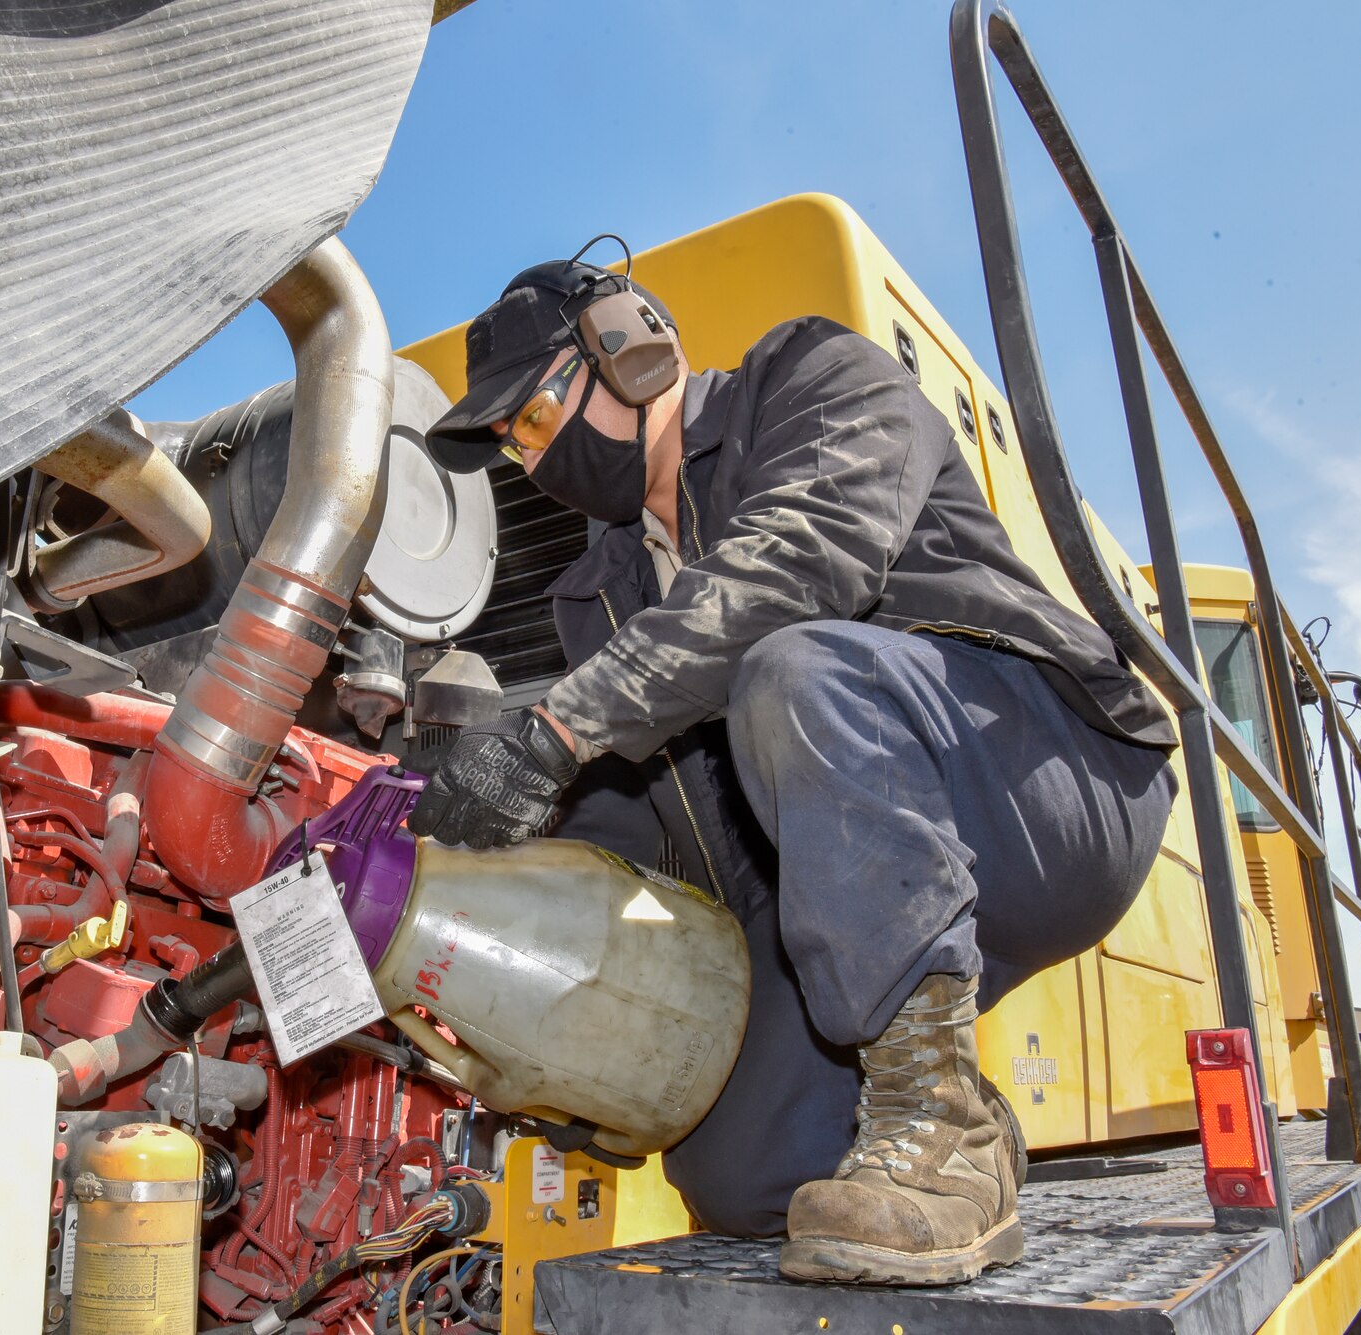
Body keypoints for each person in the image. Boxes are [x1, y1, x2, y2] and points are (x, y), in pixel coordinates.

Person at [410, 248, 1179, 1287]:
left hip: (1040, 783)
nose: (531, 459)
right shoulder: (595, 595)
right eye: (511, 446)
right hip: (846, 873)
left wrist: (555, 731)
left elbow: (802, 560)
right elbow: (646, 833)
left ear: (629, 351)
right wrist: (502, 915)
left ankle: (935, 1127)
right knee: (742, 1178)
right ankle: (949, 1132)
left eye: (536, 419)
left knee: (793, 668)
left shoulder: (816, 378)